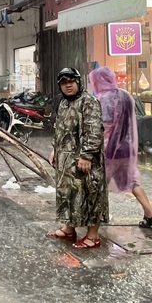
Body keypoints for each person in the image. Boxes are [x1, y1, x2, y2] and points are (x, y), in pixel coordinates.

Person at [89, 66, 152, 228]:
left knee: (98, 182)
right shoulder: (125, 95)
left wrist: (97, 144)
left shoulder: (105, 98)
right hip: (127, 147)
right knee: (132, 180)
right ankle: (150, 212)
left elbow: (106, 124)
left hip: (111, 149)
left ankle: (95, 217)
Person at [47, 67, 109, 249]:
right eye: (64, 83)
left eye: (71, 82)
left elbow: (94, 130)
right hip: (66, 161)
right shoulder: (64, 103)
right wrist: (55, 149)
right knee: (69, 194)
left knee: (91, 195)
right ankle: (68, 229)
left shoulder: (88, 102)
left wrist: (87, 155)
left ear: (78, 83)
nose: (68, 86)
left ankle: (93, 236)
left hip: (86, 162)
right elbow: (60, 128)